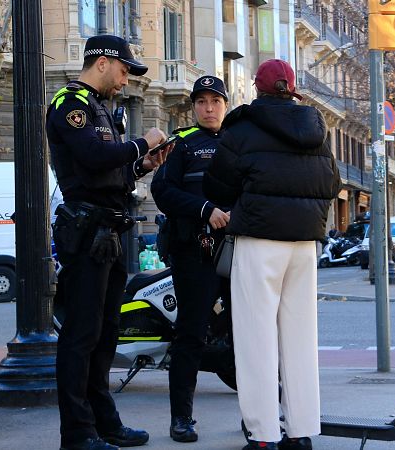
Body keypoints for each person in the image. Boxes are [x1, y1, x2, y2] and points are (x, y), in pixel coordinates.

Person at [203, 58, 341, 450]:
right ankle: (301, 432)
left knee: (255, 341)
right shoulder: (315, 127)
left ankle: (263, 435)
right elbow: (332, 182)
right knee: (299, 339)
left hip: (259, 240)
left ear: (258, 90)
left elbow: (219, 185)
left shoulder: (242, 128)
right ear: (291, 89)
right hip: (303, 245)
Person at [47, 34, 172, 450]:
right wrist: (143, 142)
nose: (125, 81)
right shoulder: (71, 103)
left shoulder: (101, 106)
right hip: (86, 234)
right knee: (81, 335)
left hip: (110, 233)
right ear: (102, 63)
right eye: (123, 71)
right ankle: (77, 434)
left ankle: (104, 423)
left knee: (105, 334)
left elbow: (108, 172)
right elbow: (94, 159)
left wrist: (141, 164)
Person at [150, 75, 231, 443]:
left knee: (249, 334)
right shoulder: (181, 143)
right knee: (190, 334)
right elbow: (162, 189)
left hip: (238, 251)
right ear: (194, 107)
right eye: (201, 102)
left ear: (225, 105)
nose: (208, 108)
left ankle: (260, 417)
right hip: (195, 252)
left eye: (215, 101)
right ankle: (181, 418)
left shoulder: (240, 140)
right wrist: (204, 209)